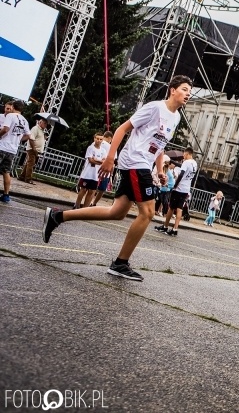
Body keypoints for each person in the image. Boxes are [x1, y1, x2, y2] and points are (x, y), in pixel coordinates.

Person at [42, 75, 192, 281]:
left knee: (117, 212)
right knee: (147, 213)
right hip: (134, 163)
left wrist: (159, 171)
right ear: (172, 90)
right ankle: (121, 263)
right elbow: (122, 128)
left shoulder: (175, 117)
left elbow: (159, 145)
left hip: (144, 165)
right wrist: (110, 157)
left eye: (189, 91)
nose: (188, 94)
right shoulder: (155, 108)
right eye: (184, 89)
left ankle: (57, 216)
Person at [156, 147, 197, 237]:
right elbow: (181, 167)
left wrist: (175, 185)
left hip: (179, 188)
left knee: (171, 207)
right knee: (179, 209)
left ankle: (165, 226)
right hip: (186, 189)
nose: (183, 156)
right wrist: (173, 162)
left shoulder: (186, 162)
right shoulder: (194, 163)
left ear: (188, 154)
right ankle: (175, 229)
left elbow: (181, 174)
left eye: (184, 154)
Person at [0, 100, 31, 203]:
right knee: (6, 171)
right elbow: (28, 135)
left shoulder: (10, 116)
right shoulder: (24, 121)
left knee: (5, 171)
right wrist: (18, 139)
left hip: (3, 146)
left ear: (13, 107)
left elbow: (5, 129)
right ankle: (6, 195)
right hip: (13, 149)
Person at [74, 132, 106, 209]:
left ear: (102, 140)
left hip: (95, 175)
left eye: (100, 139)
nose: (98, 140)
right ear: (94, 138)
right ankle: (77, 205)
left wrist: (97, 160)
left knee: (91, 191)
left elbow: (104, 161)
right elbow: (90, 160)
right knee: (83, 189)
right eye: (97, 138)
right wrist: (99, 161)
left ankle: (85, 208)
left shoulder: (103, 151)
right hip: (87, 173)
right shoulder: (90, 148)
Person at [89, 131, 115, 206]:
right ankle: (94, 203)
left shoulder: (96, 143)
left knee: (93, 187)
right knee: (102, 190)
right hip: (105, 171)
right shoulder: (112, 147)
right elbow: (112, 162)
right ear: (110, 138)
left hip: (95, 168)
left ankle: (88, 202)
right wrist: (111, 175)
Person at [20, 117, 47, 183]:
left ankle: (22, 176)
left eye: (46, 124)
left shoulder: (42, 130)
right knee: (31, 164)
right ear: (40, 122)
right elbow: (31, 138)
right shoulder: (35, 128)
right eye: (45, 123)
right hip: (32, 149)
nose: (46, 125)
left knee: (29, 163)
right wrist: (34, 148)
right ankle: (28, 178)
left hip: (36, 149)